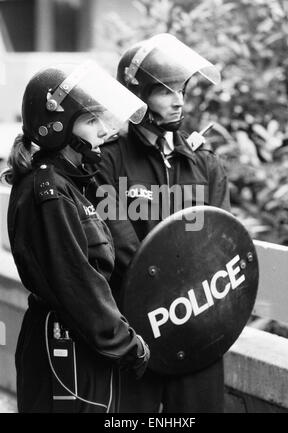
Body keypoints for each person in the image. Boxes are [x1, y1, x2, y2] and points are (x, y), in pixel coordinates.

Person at [92, 34, 231, 413]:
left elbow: (220, 245)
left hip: (198, 331)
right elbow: (118, 247)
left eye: (181, 89)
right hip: (137, 338)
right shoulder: (108, 161)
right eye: (165, 91)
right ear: (137, 96)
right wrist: (163, 305)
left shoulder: (204, 163)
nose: (179, 100)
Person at [2, 60, 150, 413]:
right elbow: (76, 282)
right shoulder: (48, 192)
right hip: (62, 350)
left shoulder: (73, 183)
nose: (102, 131)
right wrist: (128, 344)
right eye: (90, 120)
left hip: (82, 349)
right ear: (56, 128)